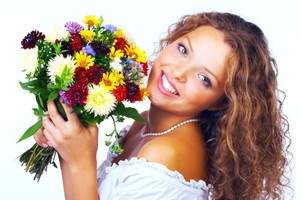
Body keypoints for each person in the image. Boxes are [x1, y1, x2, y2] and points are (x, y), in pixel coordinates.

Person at [33, 11, 290, 200]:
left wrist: (79, 162)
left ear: (219, 102)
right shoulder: (145, 122)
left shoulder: (164, 153)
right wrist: (66, 140)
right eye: (183, 50)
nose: (179, 72)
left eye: (204, 79)